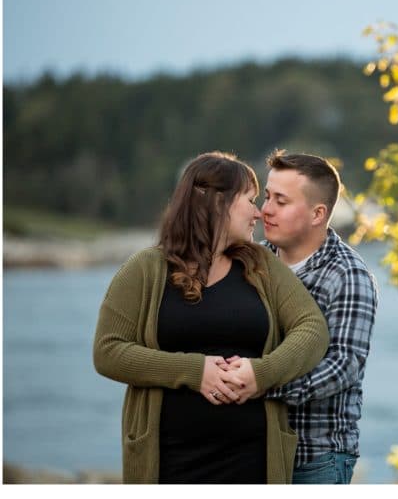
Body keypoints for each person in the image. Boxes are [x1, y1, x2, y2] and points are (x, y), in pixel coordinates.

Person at [93, 151, 329, 484]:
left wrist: (261, 374)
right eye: (249, 200)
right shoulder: (146, 269)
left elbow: (313, 329)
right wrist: (194, 370)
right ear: (218, 203)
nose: (259, 213)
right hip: (170, 465)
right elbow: (108, 351)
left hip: (254, 464)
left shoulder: (260, 264)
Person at [228, 150, 378, 484]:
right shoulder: (255, 260)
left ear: (317, 213)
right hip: (253, 450)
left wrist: (264, 385)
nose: (266, 209)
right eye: (267, 197)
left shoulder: (348, 275)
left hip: (315, 457)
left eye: (281, 201)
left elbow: (343, 365)